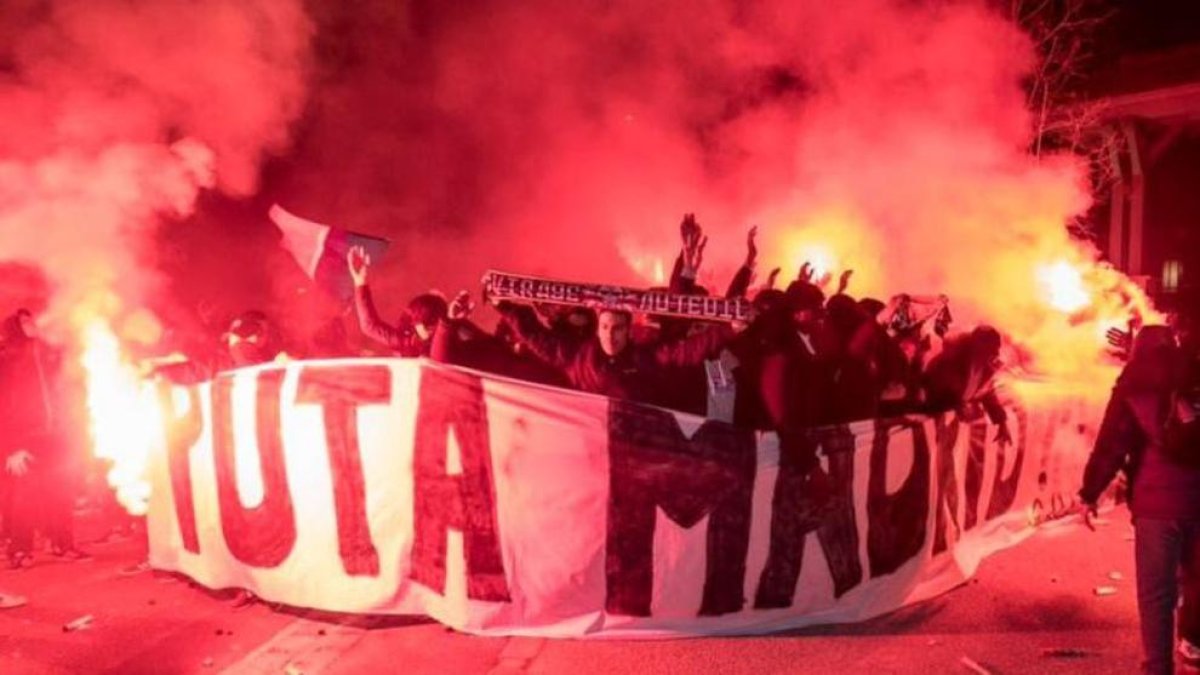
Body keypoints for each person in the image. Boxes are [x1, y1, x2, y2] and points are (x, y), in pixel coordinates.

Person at [1078, 326, 1200, 674]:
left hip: (1154, 505)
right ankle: (1194, 643)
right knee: (1197, 581)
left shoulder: (1134, 382)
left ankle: (1157, 667)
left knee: (1156, 594)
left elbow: (1112, 443)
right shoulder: (1193, 373)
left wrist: (1090, 493)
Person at [495, 300, 735, 408]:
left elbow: (686, 351)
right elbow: (536, 336)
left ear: (629, 331)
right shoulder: (577, 357)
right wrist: (504, 306)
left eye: (618, 328)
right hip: (590, 449)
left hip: (635, 449)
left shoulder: (644, 357)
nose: (610, 335)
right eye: (605, 327)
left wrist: (729, 330)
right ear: (597, 329)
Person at [0, 309, 88, 568]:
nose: (32, 324)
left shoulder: (48, 353)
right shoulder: (6, 359)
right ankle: (19, 550)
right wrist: (11, 446)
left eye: (32, 319)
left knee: (60, 492)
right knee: (24, 496)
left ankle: (63, 544)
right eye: (25, 321)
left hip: (55, 434)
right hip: (24, 438)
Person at [347, 245, 446, 357]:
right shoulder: (406, 342)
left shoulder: (449, 343)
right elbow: (370, 326)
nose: (431, 331)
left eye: (435, 325)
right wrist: (360, 282)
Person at [922, 325, 1012, 445]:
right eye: (991, 347)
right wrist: (958, 406)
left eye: (995, 347)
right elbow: (937, 389)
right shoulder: (949, 361)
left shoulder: (984, 366)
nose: (995, 352)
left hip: (949, 428)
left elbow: (987, 393)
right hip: (933, 424)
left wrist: (1002, 422)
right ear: (976, 345)